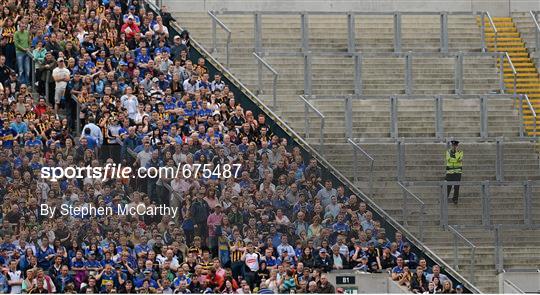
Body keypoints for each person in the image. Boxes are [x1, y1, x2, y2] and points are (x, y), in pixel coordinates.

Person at [445, 140, 463, 204]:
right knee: (448, 186)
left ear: (457, 146)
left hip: (458, 172)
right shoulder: (448, 152)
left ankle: (455, 199)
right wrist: (456, 160)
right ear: (451, 146)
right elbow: (448, 159)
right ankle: (445, 198)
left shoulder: (460, 152)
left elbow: (459, 159)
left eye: (455, 146)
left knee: (457, 186)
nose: (454, 147)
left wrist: (455, 154)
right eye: (453, 145)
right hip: (450, 172)